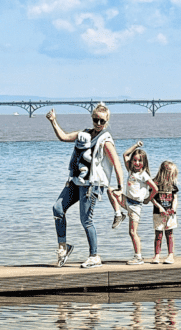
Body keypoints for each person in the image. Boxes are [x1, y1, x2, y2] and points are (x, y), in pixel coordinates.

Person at [48, 104, 124, 269]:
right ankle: (63, 247)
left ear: (106, 121)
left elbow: (117, 163)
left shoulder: (106, 140)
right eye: (95, 119)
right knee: (57, 208)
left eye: (101, 121)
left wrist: (120, 186)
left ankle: (94, 256)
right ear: (92, 118)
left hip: (92, 184)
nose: (98, 123)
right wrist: (53, 121)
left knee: (86, 220)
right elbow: (63, 137)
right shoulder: (84, 134)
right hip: (76, 180)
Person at [118, 141, 158, 265]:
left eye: (139, 161)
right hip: (126, 201)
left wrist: (148, 199)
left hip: (135, 206)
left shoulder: (143, 175)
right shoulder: (130, 171)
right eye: (135, 160)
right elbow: (125, 155)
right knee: (111, 191)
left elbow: (155, 189)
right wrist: (136, 145)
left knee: (132, 232)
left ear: (144, 163)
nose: (136, 163)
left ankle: (138, 257)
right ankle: (118, 214)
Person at [148, 161, 179, 264]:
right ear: (165, 172)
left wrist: (173, 208)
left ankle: (170, 255)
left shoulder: (172, 185)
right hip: (158, 213)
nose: (172, 177)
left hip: (170, 214)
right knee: (158, 235)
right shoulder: (155, 183)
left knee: (169, 234)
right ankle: (157, 255)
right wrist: (160, 207)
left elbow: (174, 198)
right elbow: (151, 198)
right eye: (171, 174)